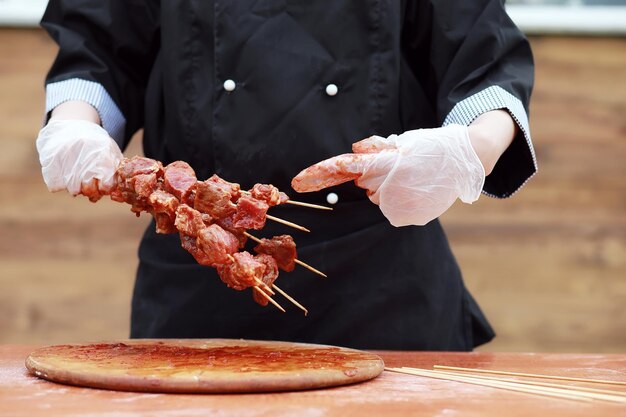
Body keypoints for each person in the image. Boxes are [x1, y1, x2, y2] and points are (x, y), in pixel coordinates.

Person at [36, 0, 536, 350]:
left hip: (384, 291)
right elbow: (98, 45)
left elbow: (486, 61)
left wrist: (469, 148)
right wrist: (75, 124)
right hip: (196, 298)